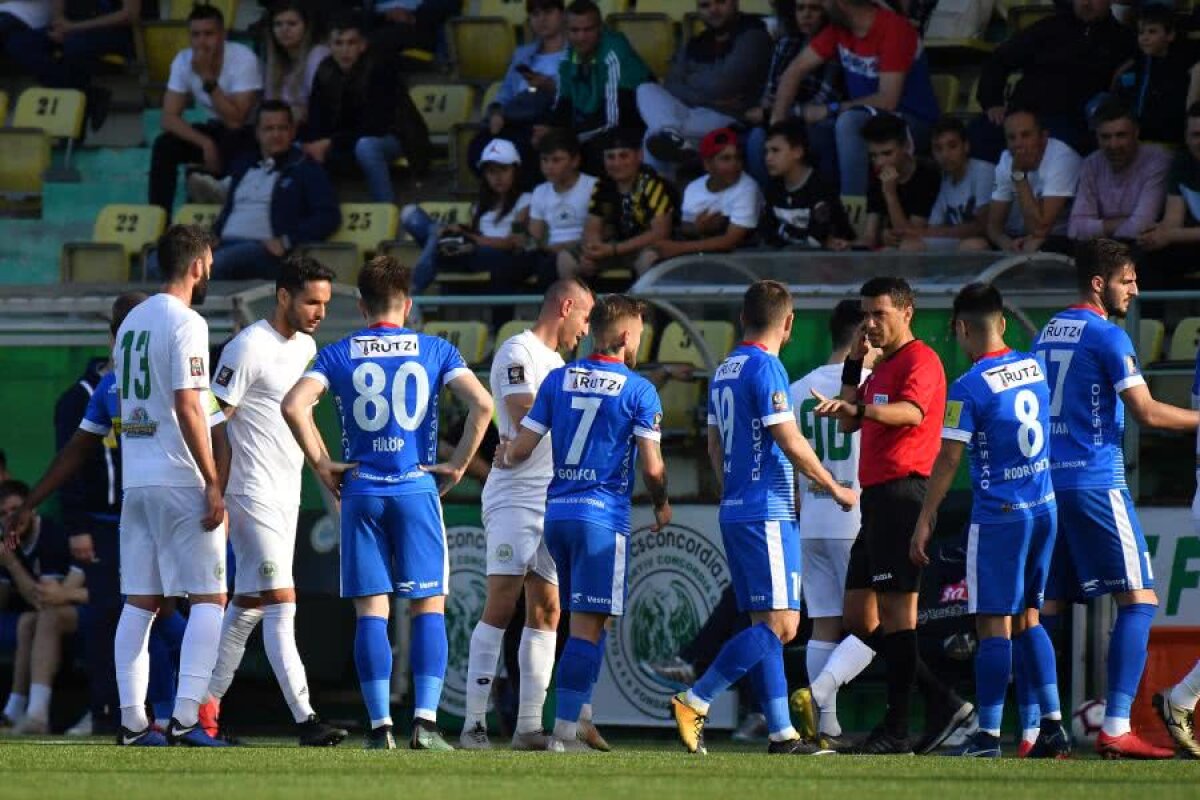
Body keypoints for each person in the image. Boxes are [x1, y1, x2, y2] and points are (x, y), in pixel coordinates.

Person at [281, 256, 493, 751]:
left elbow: (293, 405)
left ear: (360, 306)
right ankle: (425, 723)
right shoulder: (435, 348)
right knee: (428, 606)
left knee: (371, 612)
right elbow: (483, 404)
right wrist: (460, 465)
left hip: (362, 491)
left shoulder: (338, 353)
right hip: (416, 486)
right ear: (409, 304)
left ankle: (380, 729)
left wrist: (322, 462)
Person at [671, 281, 857, 756]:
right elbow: (788, 439)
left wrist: (734, 485)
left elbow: (714, 444)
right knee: (783, 625)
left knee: (764, 622)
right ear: (789, 323)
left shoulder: (725, 370)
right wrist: (834, 486)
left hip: (736, 507)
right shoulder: (766, 367)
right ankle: (697, 697)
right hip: (766, 511)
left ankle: (782, 733)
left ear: (741, 318)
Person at [1033, 238, 1199, 759]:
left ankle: (1042, 731)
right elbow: (1147, 412)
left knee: (1044, 609)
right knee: (1140, 600)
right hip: (1094, 480)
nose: (1136, 289)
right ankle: (1115, 725)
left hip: (1047, 482)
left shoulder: (1047, 330)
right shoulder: (1107, 336)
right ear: (1100, 283)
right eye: (1128, 280)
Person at [496, 294, 670, 752]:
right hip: (600, 518)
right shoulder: (638, 389)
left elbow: (524, 444)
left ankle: (582, 717)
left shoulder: (557, 379)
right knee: (587, 628)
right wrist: (661, 503)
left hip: (557, 517)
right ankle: (565, 731)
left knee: (589, 623)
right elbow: (652, 468)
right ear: (629, 335)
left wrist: (506, 454)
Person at [808, 276, 974, 754]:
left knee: (900, 617)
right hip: (876, 499)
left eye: (880, 313)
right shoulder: (877, 364)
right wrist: (856, 368)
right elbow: (845, 419)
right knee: (861, 615)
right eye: (866, 314)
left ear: (907, 312)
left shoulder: (920, 359)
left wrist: (863, 410)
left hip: (905, 494)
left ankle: (897, 730)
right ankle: (942, 700)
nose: (871, 323)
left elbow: (913, 413)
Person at [910, 282, 1069, 759]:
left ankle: (988, 736)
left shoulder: (969, 386)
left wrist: (926, 516)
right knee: (1030, 619)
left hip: (1000, 516)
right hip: (1044, 508)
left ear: (961, 328)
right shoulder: (1033, 367)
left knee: (992, 625)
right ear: (1001, 323)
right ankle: (1054, 727)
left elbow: (949, 459)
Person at [195, 258, 347, 747]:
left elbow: (301, 418)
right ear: (282, 296)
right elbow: (213, 414)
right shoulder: (246, 347)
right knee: (283, 600)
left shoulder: (307, 347)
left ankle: (202, 708)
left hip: (287, 492)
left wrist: (321, 468)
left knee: (249, 605)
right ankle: (305, 719)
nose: (319, 311)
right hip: (249, 492)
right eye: (311, 301)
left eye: (325, 302)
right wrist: (215, 483)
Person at [460, 280, 597, 751]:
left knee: (548, 610)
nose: (586, 329)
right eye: (584, 317)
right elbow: (523, 412)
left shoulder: (559, 367)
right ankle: (473, 725)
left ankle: (527, 727)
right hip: (514, 496)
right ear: (565, 307)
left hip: (551, 497)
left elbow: (546, 419)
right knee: (501, 603)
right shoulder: (516, 349)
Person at [109, 224, 229, 747]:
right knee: (210, 598)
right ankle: (184, 718)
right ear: (198, 264)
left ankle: (135, 722)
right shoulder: (187, 322)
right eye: (210, 263)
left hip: (136, 480)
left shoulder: (132, 318)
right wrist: (212, 480)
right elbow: (189, 404)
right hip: (178, 476)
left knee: (140, 601)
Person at [785, 300, 872, 750]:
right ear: (860, 334)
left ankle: (826, 725)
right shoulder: (869, 387)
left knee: (823, 623)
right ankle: (821, 698)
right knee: (873, 625)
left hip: (812, 517)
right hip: (852, 514)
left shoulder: (798, 387)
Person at [770, 0, 939, 196]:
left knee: (849, 122)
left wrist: (829, 109)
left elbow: (888, 100)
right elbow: (794, 71)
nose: (822, 7)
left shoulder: (895, 28)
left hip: (912, 122)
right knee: (808, 134)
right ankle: (815, 209)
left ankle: (853, 211)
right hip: (867, 117)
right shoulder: (839, 29)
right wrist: (777, 123)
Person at [969, 0, 1136, 163]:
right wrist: (992, 102)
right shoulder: (1048, 27)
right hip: (1021, 112)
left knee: (1066, 147)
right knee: (977, 134)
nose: (1085, 3)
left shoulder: (1122, 40)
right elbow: (999, 59)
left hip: (1072, 121)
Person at [203, 101, 340, 281]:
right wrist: (212, 237)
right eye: (269, 129)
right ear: (257, 133)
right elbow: (229, 210)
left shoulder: (306, 168)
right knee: (160, 261)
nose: (276, 134)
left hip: (264, 250)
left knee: (211, 266)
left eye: (282, 128)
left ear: (292, 132)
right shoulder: (243, 166)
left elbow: (328, 216)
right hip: (225, 244)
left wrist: (286, 241)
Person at [304, 13, 432, 203]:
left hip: (397, 137)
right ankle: (317, 209)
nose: (345, 50)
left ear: (362, 45)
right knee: (299, 147)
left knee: (367, 146)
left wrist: (330, 143)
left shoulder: (380, 67)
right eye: (338, 43)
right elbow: (316, 116)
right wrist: (315, 143)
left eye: (351, 43)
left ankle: (385, 207)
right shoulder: (325, 70)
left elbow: (376, 125)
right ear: (329, 47)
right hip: (347, 139)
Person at [149, 4, 261, 214]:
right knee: (164, 145)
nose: (202, 41)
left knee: (235, 136)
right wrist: (205, 143)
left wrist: (207, 78)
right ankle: (158, 218)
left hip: (249, 131)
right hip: (216, 129)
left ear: (223, 34)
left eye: (209, 34)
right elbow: (169, 118)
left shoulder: (243, 58)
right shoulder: (183, 60)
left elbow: (237, 120)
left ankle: (217, 189)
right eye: (196, 35)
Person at [636, 0, 771, 174]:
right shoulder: (696, 43)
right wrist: (708, 94)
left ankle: (661, 189)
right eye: (705, 5)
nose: (713, 10)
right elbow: (671, 84)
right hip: (689, 112)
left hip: (725, 116)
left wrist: (691, 80)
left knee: (652, 136)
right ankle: (669, 134)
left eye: (720, 2)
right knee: (645, 89)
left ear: (735, 3)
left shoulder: (753, 35)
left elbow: (721, 85)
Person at [401, 139, 533, 297]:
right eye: (491, 171)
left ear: (515, 171)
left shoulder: (526, 201)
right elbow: (472, 231)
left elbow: (512, 242)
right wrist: (457, 231)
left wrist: (471, 238)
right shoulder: (480, 206)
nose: (498, 177)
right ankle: (414, 292)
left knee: (437, 243)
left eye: (503, 170)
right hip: (468, 252)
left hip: (500, 257)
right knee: (411, 215)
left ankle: (411, 293)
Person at [0, 480, 83, 735]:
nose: (9, 518)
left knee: (45, 615)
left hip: (88, 604)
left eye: (15, 509)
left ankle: (36, 714)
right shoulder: (9, 541)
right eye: (2, 514)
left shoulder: (51, 535)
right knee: (26, 621)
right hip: (54, 607)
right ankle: (13, 711)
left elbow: (45, 598)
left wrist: (11, 564)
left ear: (31, 508)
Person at [540, 0, 650, 173]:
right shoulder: (568, 58)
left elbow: (614, 118)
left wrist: (570, 139)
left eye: (588, 29)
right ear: (566, 31)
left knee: (585, 153)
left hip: (630, 124)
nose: (581, 37)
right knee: (543, 147)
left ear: (600, 28)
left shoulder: (613, 53)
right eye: (575, 30)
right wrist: (550, 131)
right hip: (593, 124)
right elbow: (563, 103)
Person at [743, 0, 841, 186]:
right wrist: (771, 111)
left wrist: (771, 112)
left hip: (816, 121)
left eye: (814, 8)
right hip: (782, 117)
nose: (806, 15)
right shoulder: (786, 43)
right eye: (800, 8)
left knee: (815, 137)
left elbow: (820, 103)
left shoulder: (834, 46)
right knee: (757, 139)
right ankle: (767, 202)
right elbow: (769, 93)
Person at [1, 0, 141, 130]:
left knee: (74, 46)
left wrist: (74, 28)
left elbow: (129, 15)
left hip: (113, 31)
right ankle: (88, 96)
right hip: (74, 29)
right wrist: (59, 22)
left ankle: (77, 110)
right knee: (20, 44)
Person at [473, 0, 568, 183]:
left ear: (562, 14)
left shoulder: (575, 53)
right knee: (477, 147)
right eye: (535, 14)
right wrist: (496, 112)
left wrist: (551, 86)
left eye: (548, 11)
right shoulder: (522, 54)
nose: (542, 19)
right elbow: (505, 93)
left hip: (549, 117)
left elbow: (578, 95)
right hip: (515, 119)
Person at [566, 128, 675, 282]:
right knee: (567, 258)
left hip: (646, 248)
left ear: (639, 156)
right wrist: (592, 250)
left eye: (624, 156)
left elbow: (660, 233)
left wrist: (614, 249)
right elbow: (592, 226)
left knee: (649, 258)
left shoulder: (653, 184)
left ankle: (648, 306)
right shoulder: (602, 185)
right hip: (614, 248)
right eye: (610, 157)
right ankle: (575, 305)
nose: (617, 163)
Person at [1067, 99, 1168, 243]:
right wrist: (1124, 222)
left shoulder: (1157, 160)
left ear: (1136, 133)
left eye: (1121, 135)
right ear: (1096, 137)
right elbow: (1075, 228)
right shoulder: (1091, 163)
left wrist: (1097, 227)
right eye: (1105, 137)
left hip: (1143, 248)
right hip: (1102, 247)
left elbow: (1141, 227)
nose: (1113, 145)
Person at [985, 108, 1081, 254]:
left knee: (1033, 246)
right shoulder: (1006, 159)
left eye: (1025, 135)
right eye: (1012, 138)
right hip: (1022, 237)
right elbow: (993, 227)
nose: (1018, 144)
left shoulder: (1062, 158)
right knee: (973, 245)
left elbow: (1039, 229)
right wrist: (1008, 245)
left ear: (1043, 137)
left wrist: (1018, 175)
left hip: (1060, 239)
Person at [656, 127, 762, 260]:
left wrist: (678, 248)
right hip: (702, 251)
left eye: (738, 158)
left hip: (743, 255)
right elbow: (685, 226)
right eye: (726, 159)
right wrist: (698, 228)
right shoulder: (693, 188)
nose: (734, 164)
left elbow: (730, 241)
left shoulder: (748, 187)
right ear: (707, 164)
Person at [901, 116, 993, 252]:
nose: (945, 154)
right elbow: (934, 227)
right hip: (957, 243)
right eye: (938, 149)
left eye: (952, 146)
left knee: (974, 246)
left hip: (995, 244)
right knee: (909, 246)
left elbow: (982, 226)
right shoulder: (943, 180)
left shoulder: (983, 171)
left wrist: (924, 233)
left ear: (966, 146)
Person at [758, 119, 854, 250]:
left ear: (797, 152)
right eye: (766, 151)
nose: (768, 158)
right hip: (786, 259)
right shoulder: (773, 187)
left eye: (775, 150)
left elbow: (819, 236)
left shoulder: (821, 187)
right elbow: (767, 232)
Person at [1137, 103, 1200, 289]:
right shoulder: (1183, 163)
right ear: (1187, 138)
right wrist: (1155, 233)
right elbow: (1173, 220)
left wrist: (1169, 234)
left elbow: (1173, 232)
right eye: (1195, 135)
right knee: (1146, 256)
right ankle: (1151, 319)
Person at [527, 130, 600, 286]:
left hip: (585, 251)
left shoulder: (593, 186)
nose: (549, 167)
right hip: (550, 253)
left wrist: (566, 247)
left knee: (551, 267)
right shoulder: (540, 191)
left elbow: (602, 232)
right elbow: (534, 237)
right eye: (544, 160)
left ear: (575, 161)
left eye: (556, 160)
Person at [861, 113, 940, 250]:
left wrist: (890, 193)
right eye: (873, 155)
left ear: (906, 146)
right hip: (894, 248)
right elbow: (870, 236)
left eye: (887, 153)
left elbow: (912, 236)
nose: (879, 162)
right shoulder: (875, 172)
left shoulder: (927, 175)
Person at [1112, 5, 1189, 146]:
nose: (1145, 38)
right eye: (1141, 32)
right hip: (1136, 139)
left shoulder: (1182, 68)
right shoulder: (1135, 66)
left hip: (1171, 140)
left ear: (1170, 35)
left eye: (1152, 31)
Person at [262, 0, 330, 126]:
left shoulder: (318, 55)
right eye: (278, 24)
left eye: (292, 24)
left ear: (306, 27)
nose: (284, 30)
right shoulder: (274, 61)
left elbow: (320, 109)